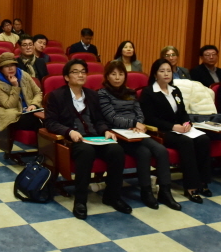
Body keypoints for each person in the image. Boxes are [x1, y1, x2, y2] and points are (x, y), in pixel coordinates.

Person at [45, 59, 131, 219]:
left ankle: (112, 196)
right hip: (74, 140)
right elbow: (50, 123)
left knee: (116, 150)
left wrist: (105, 131)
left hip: (95, 137)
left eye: (83, 71)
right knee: (86, 152)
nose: (81, 75)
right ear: (66, 77)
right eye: (76, 72)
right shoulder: (56, 96)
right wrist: (69, 131)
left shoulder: (92, 95)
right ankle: (80, 200)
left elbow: (99, 120)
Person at [98, 61, 180, 210]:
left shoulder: (130, 92)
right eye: (113, 74)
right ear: (107, 76)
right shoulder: (102, 93)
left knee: (161, 150)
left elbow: (139, 112)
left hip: (136, 131)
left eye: (121, 74)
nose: (117, 78)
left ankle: (165, 192)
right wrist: (133, 123)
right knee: (144, 152)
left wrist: (139, 124)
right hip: (118, 133)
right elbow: (111, 117)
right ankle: (146, 191)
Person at [140, 58, 212, 203]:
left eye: (169, 71)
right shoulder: (148, 92)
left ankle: (203, 182)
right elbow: (150, 119)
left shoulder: (175, 91)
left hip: (181, 128)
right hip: (163, 131)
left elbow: (183, 112)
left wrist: (187, 123)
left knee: (204, 139)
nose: (166, 74)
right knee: (186, 142)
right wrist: (173, 127)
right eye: (162, 71)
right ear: (155, 74)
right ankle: (191, 187)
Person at [0, 52, 42, 156]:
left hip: (31, 110)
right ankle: (44, 153)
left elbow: (38, 92)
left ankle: (47, 151)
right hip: (15, 115)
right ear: (1, 69)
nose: (11, 68)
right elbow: (8, 105)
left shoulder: (24, 75)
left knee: (47, 118)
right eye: (7, 66)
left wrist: (34, 105)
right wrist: (15, 86)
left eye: (12, 65)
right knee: (37, 120)